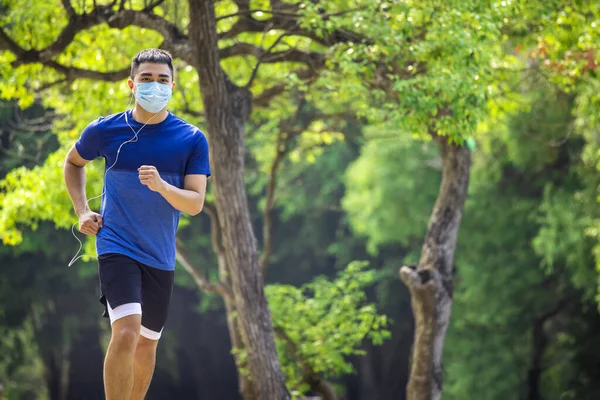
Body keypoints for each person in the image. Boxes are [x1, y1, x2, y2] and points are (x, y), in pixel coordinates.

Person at [63, 48, 210, 400]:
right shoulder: (106, 130)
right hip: (116, 245)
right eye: (146, 79)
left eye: (162, 80)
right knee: (126, 331)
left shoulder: (191, 139)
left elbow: (195, 203)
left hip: (159, 255)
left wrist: (162, 186)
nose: (154, 86)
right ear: (132, 84)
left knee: (146, 344)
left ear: (172, 85)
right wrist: (83, 211)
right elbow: (73, 163)